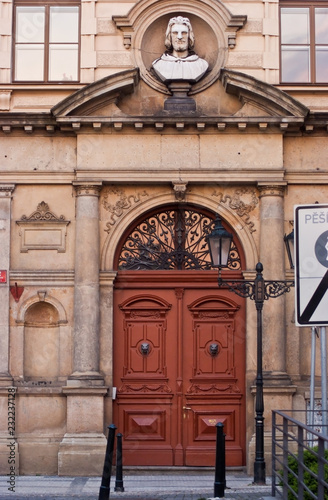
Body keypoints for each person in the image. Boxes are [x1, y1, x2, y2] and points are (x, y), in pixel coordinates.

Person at [152, 16, 209, 84]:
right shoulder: (159, 64)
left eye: (184, 33)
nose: (179, 37)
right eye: (175, 33)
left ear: (189, 36)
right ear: (170, 36)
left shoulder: (201, 65)